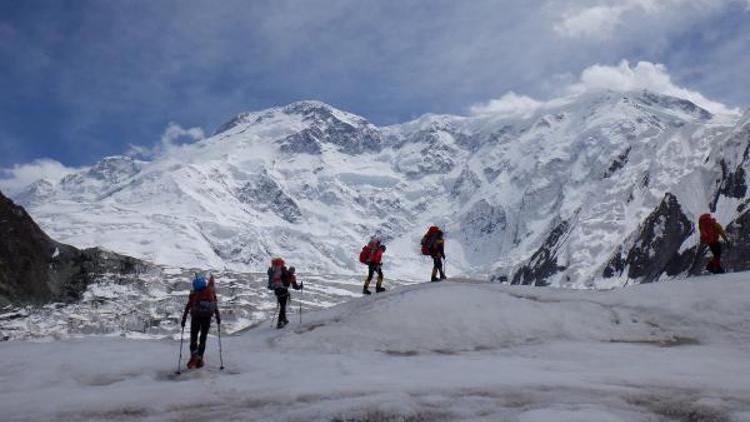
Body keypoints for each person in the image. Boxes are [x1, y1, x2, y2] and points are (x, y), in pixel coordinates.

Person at [181, 274, 221, 369]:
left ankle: (194, 355)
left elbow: (188, 306)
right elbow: (215, 306)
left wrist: (184, 319)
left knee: (193, 338)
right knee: (203, 338)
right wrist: (218, 318)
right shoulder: (210, 292)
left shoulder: (194, 294)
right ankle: (200, 359)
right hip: (207, 318)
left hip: (196, 317)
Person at [267, 257, 302, 329]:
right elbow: (295, 287)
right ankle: (280, 322)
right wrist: (300, 286)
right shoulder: (290, 276)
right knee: (283, 306)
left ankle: (284, 319)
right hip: (283, 291)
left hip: (277, 290)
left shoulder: (279, 272)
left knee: (282, 305)